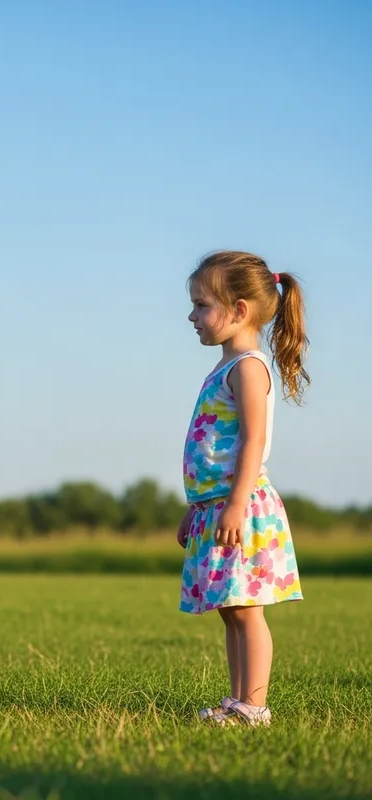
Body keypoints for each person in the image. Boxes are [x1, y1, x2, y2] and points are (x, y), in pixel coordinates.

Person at [178, 250, 308, 726]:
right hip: (218, 505)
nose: (192, 316)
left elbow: (254, 440)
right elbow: (215, 447)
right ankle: (237, 702)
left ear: (238, 310)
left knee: (247, 610)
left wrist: (233, 504)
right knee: (231, 609)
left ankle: (255, 706)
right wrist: (198, 506)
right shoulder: (224, 367)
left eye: (201, 305)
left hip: (243, 505)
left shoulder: (248, 367)